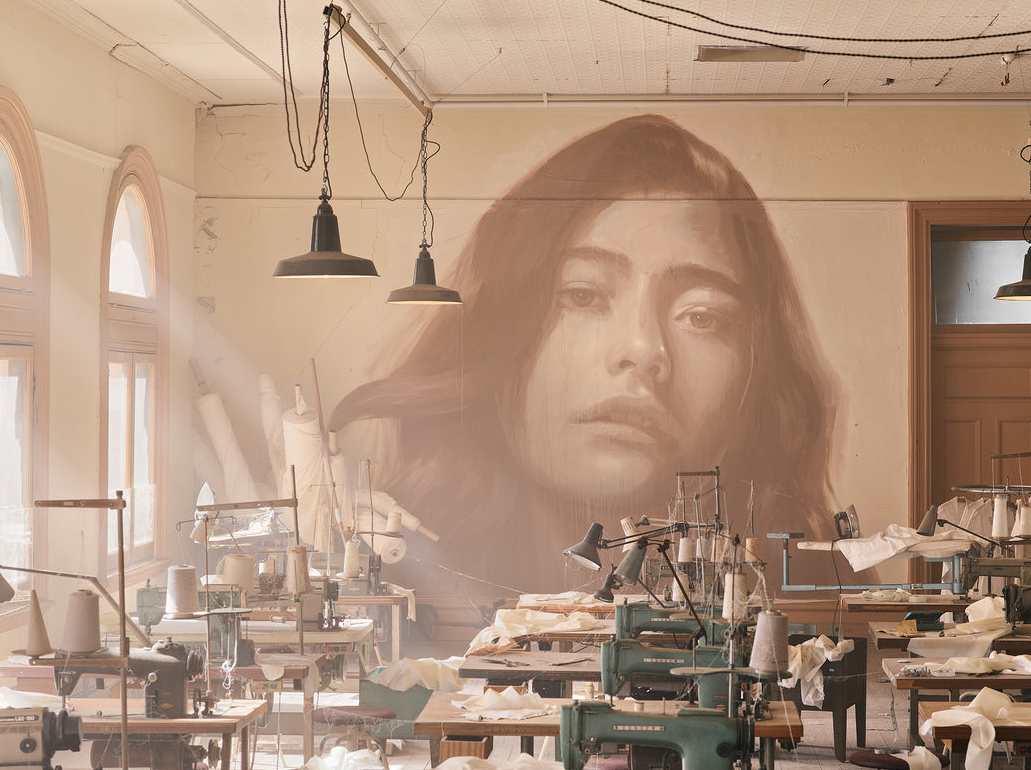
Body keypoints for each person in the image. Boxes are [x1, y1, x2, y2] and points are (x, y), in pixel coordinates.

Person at [331, 115, 840, 600]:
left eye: (701, 316)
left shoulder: (808, 574)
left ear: (752, 378)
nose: (642, 350)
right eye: (584, 296)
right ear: (500, 335)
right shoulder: (392, 554)